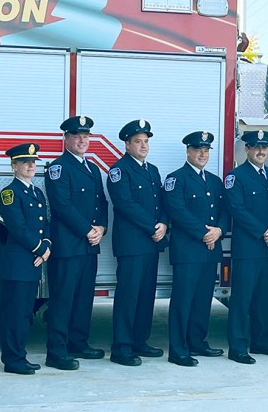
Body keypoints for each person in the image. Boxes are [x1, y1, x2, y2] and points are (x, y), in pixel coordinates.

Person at [44, 115, 108, 371]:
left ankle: (78, 342)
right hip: (68, 246)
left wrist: (102, 227)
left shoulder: (92, 168)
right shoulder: (58, 168)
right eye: (77, 136)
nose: (82, 140)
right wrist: (87, 230)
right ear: (66, 138)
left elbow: (101, 202)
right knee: (63, 299)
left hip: (89, 245)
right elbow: (62, 205)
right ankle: (56, 351)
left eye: (86, 136)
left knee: (83, 298)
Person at [162, 130, 230, 367]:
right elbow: (177, 211)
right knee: (183, 300)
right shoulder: (176, 179)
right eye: (198, 149)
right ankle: (178, 350)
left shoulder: (214, 181)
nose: (202, 154)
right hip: (188, 251)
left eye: (206, 150)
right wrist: (205, 233)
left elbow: (224, 212)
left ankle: (198, 342)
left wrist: (219, 231)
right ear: (188, 151)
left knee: (203, 300)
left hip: (211, 250)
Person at [106, 119, 168, 367]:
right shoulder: (119, 170)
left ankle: (139, 341)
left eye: (146, 142)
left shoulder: (152, 170)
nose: (143, 146)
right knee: (128, 296)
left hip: (151, 243)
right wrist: (153, 226)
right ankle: (121, 348)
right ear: (127, 144)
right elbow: (124, 204)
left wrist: (163, 223)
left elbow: (161, 202)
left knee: (145, 296)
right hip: (132, 245)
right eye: (138, 142)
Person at [224, 130, 268, 365]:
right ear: (247, 150)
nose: (261, 151)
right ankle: (237, 346)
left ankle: (261, 342)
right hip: (248, 248)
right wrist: (263, 232)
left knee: (264, 298)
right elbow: (237, 210)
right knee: (242, 299)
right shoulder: (235, 177)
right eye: (255, 147)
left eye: (264, 147)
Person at [0, 143, 51, 375]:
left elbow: (44, 223)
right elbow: (17, 227)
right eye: (25, 162)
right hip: (18, 263)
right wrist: (40, 248)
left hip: (31, 263)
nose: (31, 165)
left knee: (25, 314)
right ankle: (12, 360)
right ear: (14, 165)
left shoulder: (35, 192)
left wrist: (47, 244)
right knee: (15, 314)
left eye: (33, 161)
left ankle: (20, 355)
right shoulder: (10, 193)